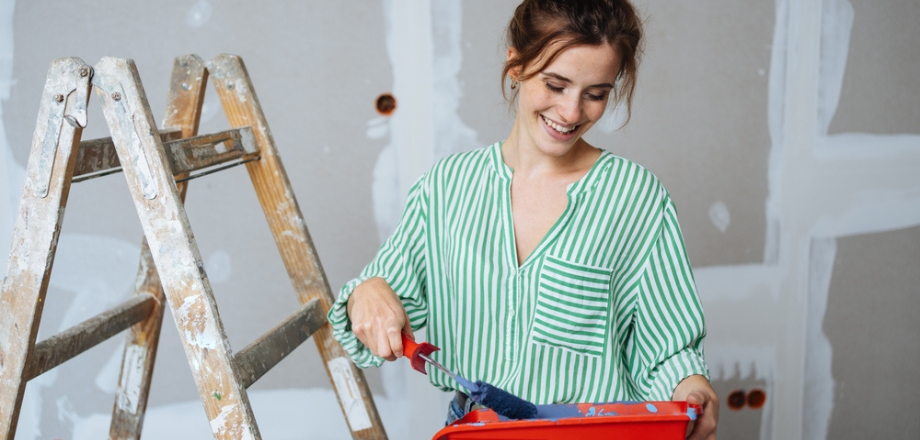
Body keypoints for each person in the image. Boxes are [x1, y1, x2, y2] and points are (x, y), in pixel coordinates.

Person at [329, 0, 718, 438]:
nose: (572, 113)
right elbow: (373, 317)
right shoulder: (445, 189)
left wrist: (692, 386)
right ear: (515, 64)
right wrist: (368, 292)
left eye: (596, 94)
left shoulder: (635, 198)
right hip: (476, 431)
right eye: (555, 84)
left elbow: (665, 350)